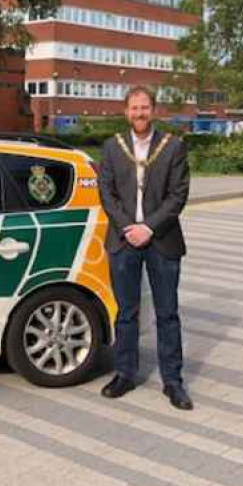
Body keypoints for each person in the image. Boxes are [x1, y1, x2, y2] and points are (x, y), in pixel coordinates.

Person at [97, 85, 193, 410]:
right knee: (126, 313)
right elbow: (106, 193)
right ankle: (124, 373)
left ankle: (173, 381)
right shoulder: (112, 147)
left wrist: (149, 227)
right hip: (123, 240)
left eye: (145, 107)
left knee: (167, 314)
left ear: (154, 110)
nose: (140, 113)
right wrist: (129, 227)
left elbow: (178, 194)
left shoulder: (173, 147)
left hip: (162, 239)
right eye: (134, 108)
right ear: (126, 111)